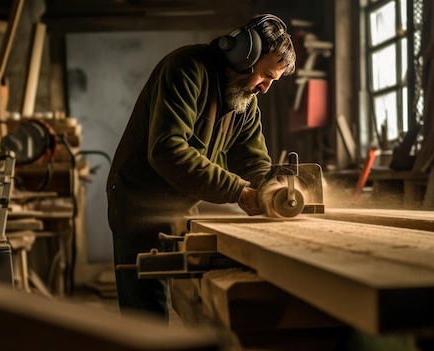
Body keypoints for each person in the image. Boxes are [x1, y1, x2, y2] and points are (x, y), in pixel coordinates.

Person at [106, 13, 296, 320]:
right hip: (138, 206)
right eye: (265, 76)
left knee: (193, 305)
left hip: (180, 210)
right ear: (243, 54)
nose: (264, 88)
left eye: (272, 81)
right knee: (146, 321)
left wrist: (268, 187)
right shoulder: (186, 69)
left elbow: (252, 159)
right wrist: (239, 191)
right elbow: (167, 150)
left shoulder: (245, 101)